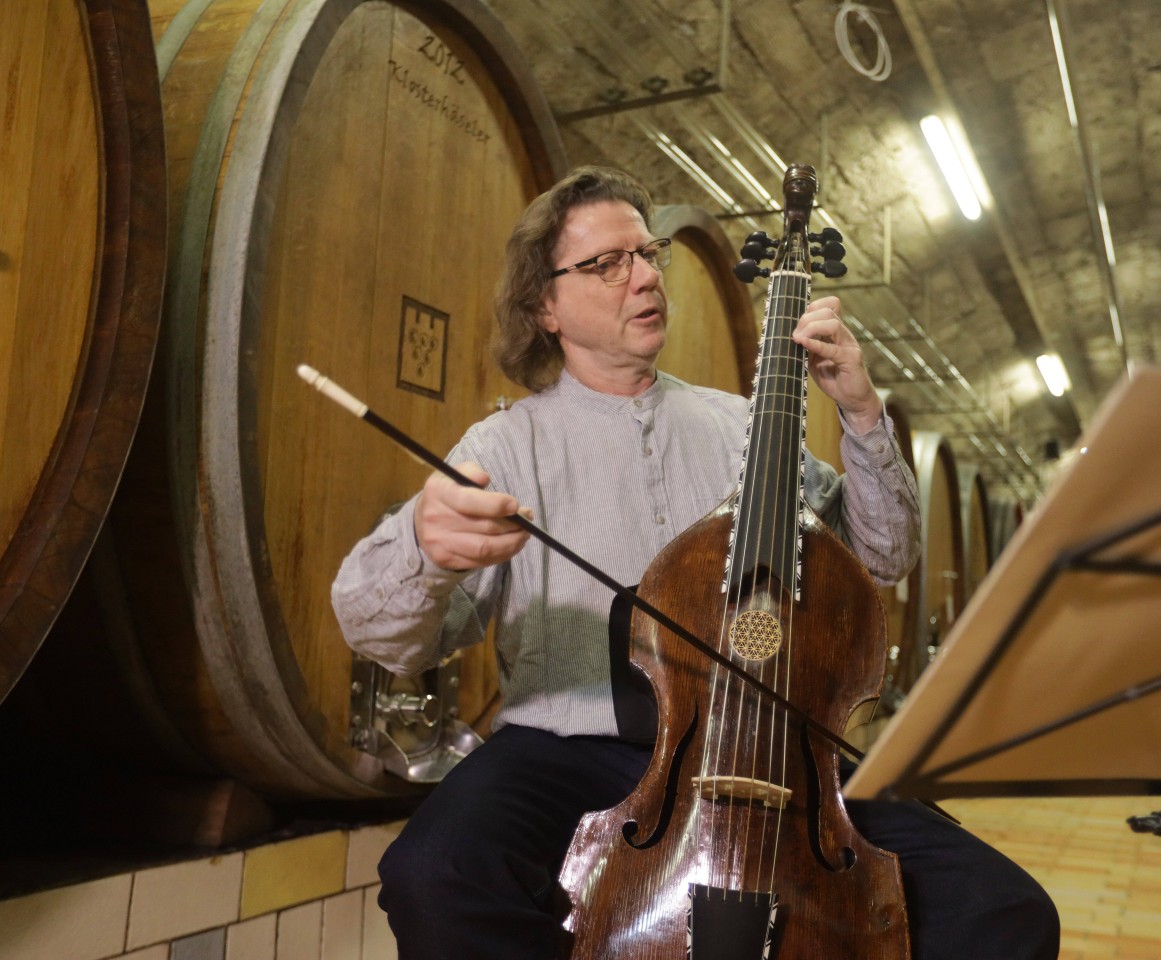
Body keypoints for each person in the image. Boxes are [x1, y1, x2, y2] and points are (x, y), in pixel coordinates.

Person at [332, 165, 1059, 959]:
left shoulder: (743, 426)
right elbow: (386, 640)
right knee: (434, 870)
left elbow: (882, 555)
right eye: (608, 264)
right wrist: (425, 547)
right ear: (544, 306)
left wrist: (858, 408)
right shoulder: (505, 447)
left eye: (647, 253)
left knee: (1001, 908)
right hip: (571, 751)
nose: (644, 276)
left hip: (771, 745)